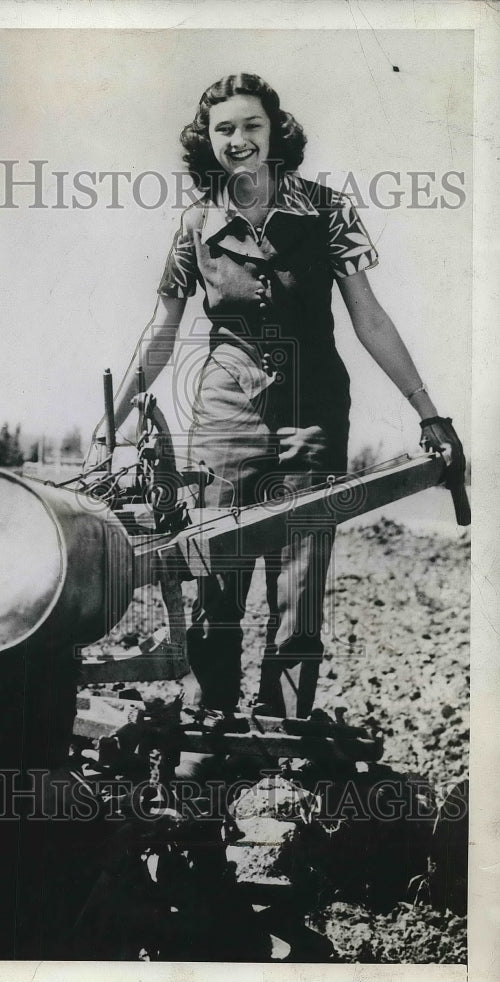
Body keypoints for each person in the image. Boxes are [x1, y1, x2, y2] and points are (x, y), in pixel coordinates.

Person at [96, 73, 465, 719]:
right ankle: (210, 730)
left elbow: (369, 317)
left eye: (251, 126)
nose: (239, 140)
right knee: (217, 579)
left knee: (300, 586)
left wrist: (428, 410)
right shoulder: (194, 226)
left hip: (313, 416)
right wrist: (114, 418)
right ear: (207, 141)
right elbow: (161, 330)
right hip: (225, 420)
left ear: (276, 132)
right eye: (224, 129)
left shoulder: (329, 211)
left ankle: (284, 737)